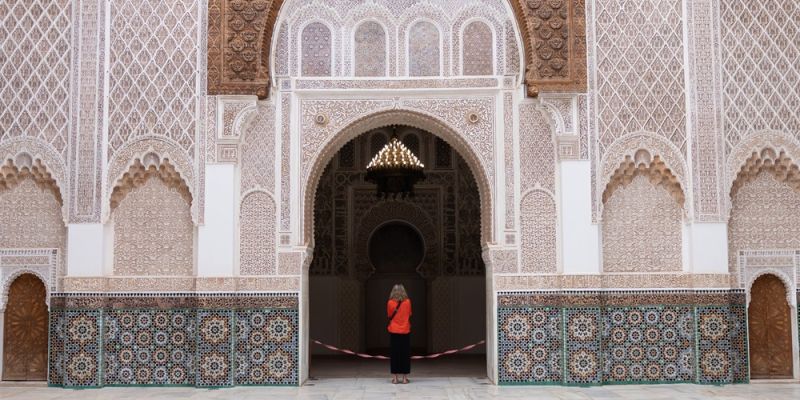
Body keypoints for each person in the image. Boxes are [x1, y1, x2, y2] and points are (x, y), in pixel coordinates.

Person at [387, 284, 412, 384]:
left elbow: (389, 315)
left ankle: (395, 378)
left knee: (395, 354)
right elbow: (410, 314)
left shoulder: (390, 302)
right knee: (405, 354)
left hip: (394, 330)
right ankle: (405, 378)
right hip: (405, 330)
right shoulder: (408, 302)